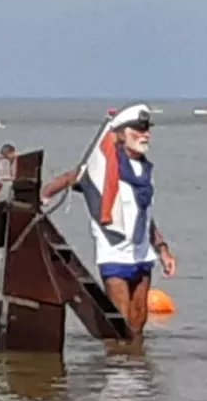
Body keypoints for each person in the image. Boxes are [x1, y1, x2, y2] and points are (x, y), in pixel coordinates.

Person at [76, 104, 177, 339]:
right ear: (120, 134)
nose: (146, 134)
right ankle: (119, 368)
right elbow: (76, 176)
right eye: (139, 129)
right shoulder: (106, 165)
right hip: (114, 251)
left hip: (142, 252)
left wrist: (162, 249)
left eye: (147, 129)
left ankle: (138, 366)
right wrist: (47, 194)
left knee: (139, 320)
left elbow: (145, 214)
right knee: (121, 323)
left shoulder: (144, 169)